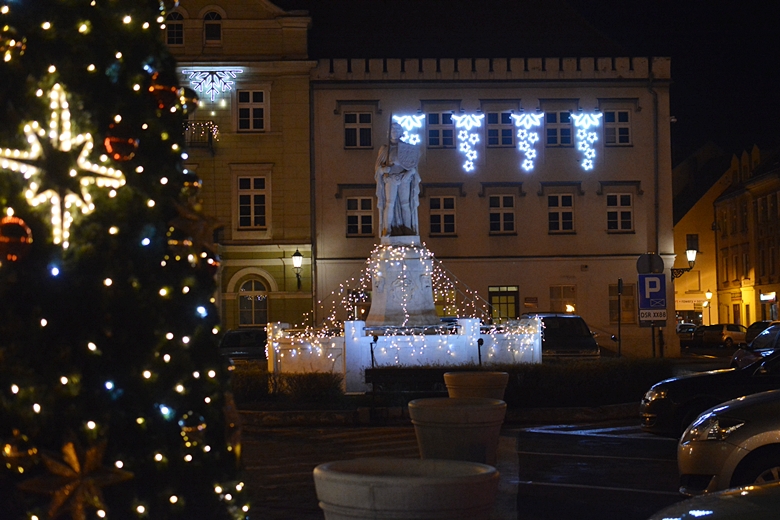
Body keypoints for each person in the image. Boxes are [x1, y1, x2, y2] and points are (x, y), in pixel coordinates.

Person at [374, 122, 421, 237]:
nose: (394, 132)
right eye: (392, 130)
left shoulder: (407, 148)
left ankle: (408, 228)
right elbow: (378, 168)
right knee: (389, 203)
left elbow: (413, 167)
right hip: (390, 179)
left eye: (397, 130)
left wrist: (409, 173)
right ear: (389, 133)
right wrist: (383, 170)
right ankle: (387, 229)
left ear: (401, 133)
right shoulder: (385, 149)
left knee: (405, 204)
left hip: (404, 179)